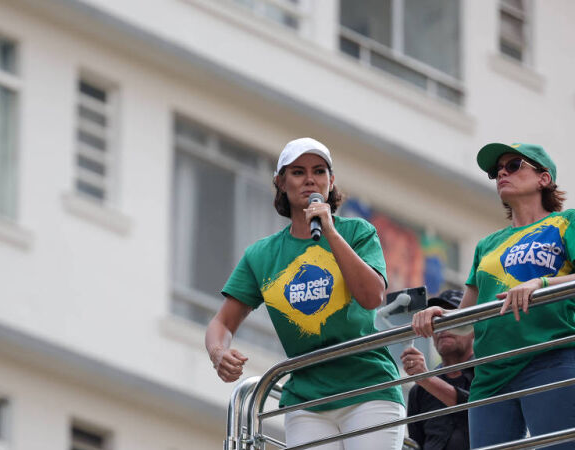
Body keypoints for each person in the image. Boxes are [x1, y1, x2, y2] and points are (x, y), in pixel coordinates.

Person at [205, 137, 405, 450]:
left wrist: (330, 232)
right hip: (305, 399)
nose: (310, 178)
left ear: (331, 181)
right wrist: (219, 353)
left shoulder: (357, 232)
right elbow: (222, 323)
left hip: (369, 389)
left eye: (319, 171)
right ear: (280, 183)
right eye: (297, 172)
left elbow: (372, 297)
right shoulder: (262, 255)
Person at [412, 143, 575, 449]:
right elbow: (465, 322)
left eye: (513, 165)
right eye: (496, 170)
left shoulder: (567, 223)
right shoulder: (487, 246)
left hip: (549, 357)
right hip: (489, 375)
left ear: (544, 178)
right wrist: (440, 317)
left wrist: (540, 283)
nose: (501, 172)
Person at [401, 289, 473, 450]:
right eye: (436, 323)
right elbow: (416, 444)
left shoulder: (487, 371)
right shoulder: (418, 392)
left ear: (472, 329)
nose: (443, 328)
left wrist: (426, 379)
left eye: (452, 320)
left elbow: (481, 410)